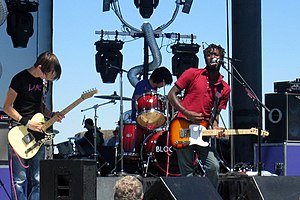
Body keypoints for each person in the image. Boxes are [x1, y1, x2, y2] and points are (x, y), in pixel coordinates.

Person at [167, 44, 231, 188]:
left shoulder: (225, 88)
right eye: (209, 55)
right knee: (187, 171)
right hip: (182, 125)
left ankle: (210, 196)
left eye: (215, 55)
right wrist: (187, 113)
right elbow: (171, 95)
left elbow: (216, 114)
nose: (212, 57)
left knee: (213, 166)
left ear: (221, 59)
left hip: (202, 131)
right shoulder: (192, 73)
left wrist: (215, 126)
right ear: (205, 58)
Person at [3, 51, 64, 200]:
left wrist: (52, 114)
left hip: (38, 135)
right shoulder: (20, 79)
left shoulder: (43, 84)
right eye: (48, 74)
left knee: (37, 179)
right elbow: (7, 107)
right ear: (39, 67)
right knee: (19, 179)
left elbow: (40, 106)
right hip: (20, 132)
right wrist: (27, 122)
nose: (48, 79)